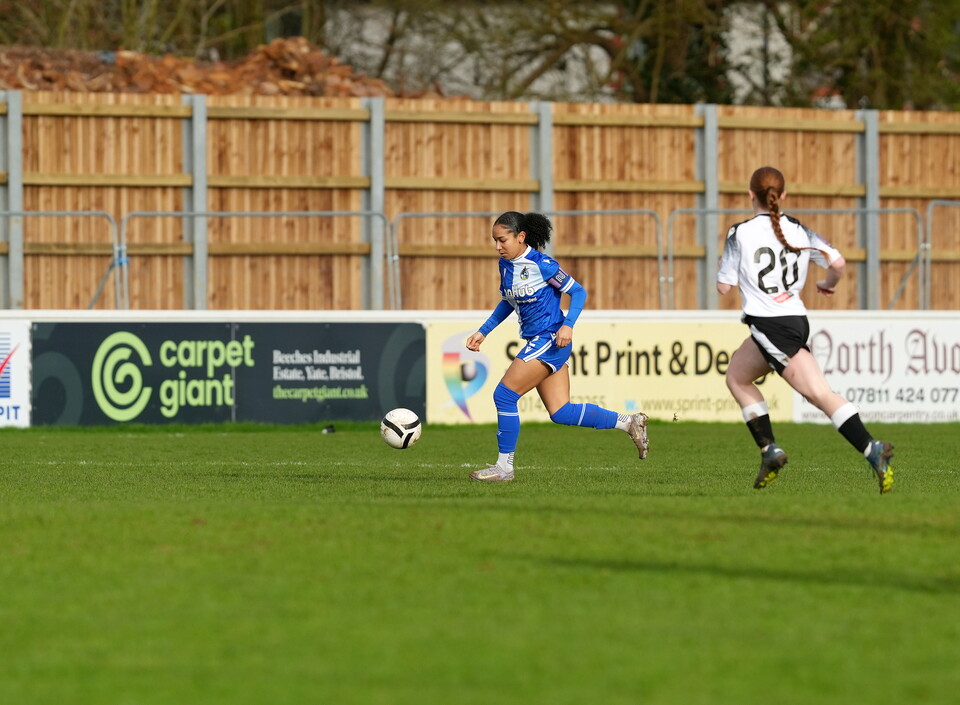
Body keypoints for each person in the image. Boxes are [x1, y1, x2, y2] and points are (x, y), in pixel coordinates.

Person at [716, 166, 894, 494]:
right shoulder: (799, 230)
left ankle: (863, 448)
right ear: (782, 196)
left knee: (816, 394)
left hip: (771, 325)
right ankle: (778, 450)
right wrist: (827, 283)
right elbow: (838, 264)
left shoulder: (738, 233)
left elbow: (724, 287)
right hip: (794, 320)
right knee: (738, 376)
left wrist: (737, 276)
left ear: (749, 195)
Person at [464, 211, 648, 482]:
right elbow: (508, 301)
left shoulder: (542, 264)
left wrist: (568, 324)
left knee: (504, 395)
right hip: (541, 341)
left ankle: (504, 468)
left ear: (520, 237)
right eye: (494, 241)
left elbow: (578, 291)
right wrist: (484, 331)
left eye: (502, 240)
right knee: (561, 412)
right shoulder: (505, 266)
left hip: (550, 339)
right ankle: (628, 422)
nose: (497, 246)